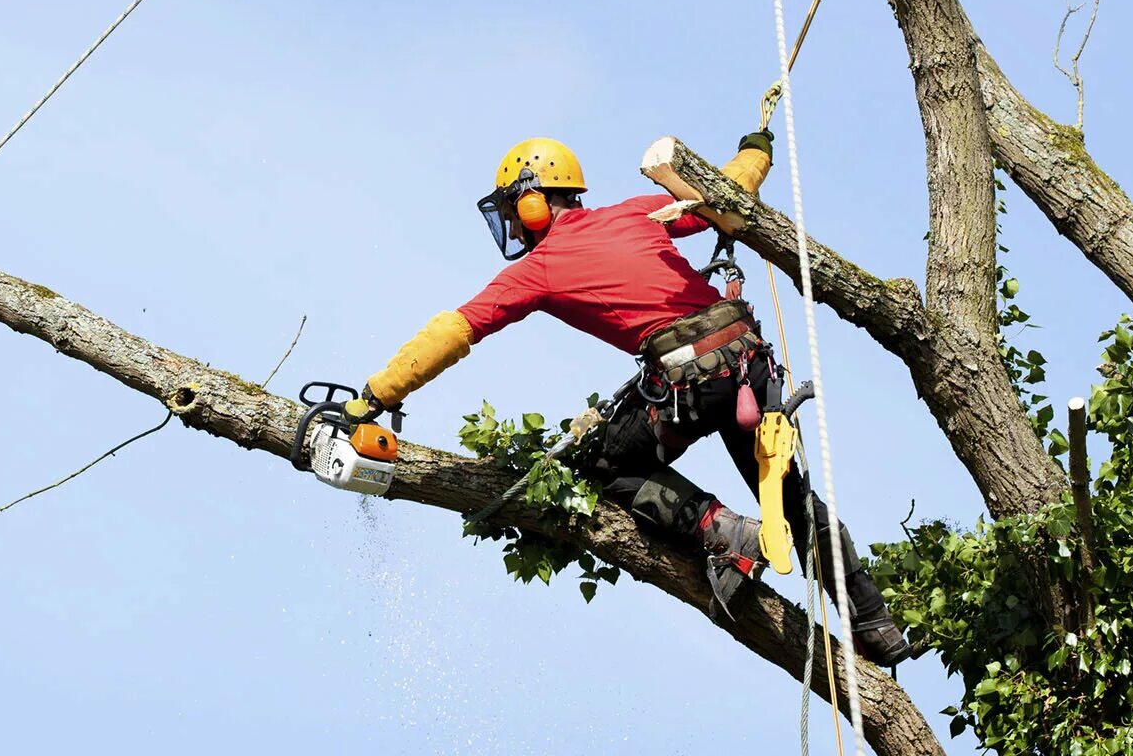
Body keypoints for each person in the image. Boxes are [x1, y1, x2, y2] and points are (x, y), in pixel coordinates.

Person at [345, 136, 909, 665]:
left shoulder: (537, 269)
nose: (515, 227)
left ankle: (724, 531)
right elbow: (724, 190)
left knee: (602, 466)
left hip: (691, 381)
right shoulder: (636, 211)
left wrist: (374, 395)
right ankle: (875, 623)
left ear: (533, 199)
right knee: (789, 498)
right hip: (748, 365)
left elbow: (455, 330)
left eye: (515, 211)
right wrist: (754, 152)